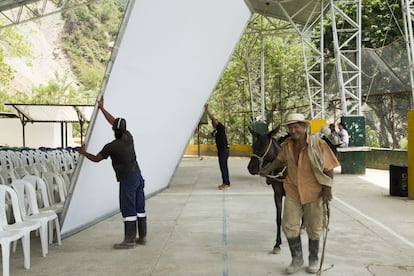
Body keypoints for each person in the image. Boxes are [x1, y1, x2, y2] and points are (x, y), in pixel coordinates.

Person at [79, 97, 147, 249]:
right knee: (139, 207)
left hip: (128, 180)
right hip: (138, 176)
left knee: (128, 208)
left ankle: (129, 240)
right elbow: (114, 121)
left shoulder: (112, 146)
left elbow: (97, 159)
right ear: (124, 129)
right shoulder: (129, 137)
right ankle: (142, 237)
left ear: (114, 130)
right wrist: (102, 109)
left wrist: (83, 153)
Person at [276, 113, 340, 274]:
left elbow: (329, 168)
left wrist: (328, 189)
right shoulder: (286, 146)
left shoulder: (318, 144)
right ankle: (297, 260)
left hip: (314, 191)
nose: (293, 130)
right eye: (290, 127)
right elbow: (280, 161)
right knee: (289, 225)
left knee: (314, 227)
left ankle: (313, 259)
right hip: (292, 191)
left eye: (296, 126)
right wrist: (266, 170)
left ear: (304, 127)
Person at [196, 104, 231, 190]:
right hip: (220, 151)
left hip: (224, 150)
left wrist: (206, 111)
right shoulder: (215, 132)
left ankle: (227, 184)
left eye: (215, 121)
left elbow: (213, 118)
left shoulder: (221, 128)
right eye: (213, 122)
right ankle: (224, 183)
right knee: (222, 167)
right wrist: (198, 133)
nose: (214, 122)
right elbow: (207, 136)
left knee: (224, 167)